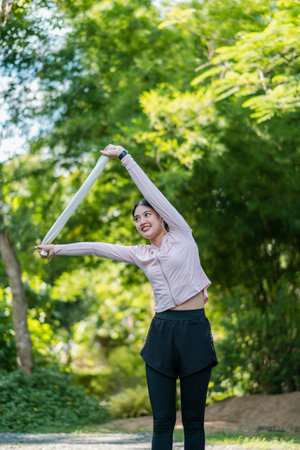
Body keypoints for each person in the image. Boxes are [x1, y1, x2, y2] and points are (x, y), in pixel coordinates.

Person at [36, 145, 218, 450]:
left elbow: (152, 191)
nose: (142, 219)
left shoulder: (182, 235)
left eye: (147, 213)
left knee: (193, 422)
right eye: (136, 218)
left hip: (194, 331)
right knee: (162, 422)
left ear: (162, 217)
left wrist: (125, 158)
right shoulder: (140, 254)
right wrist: (57, 248)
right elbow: (97, 247)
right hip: (162, 333)